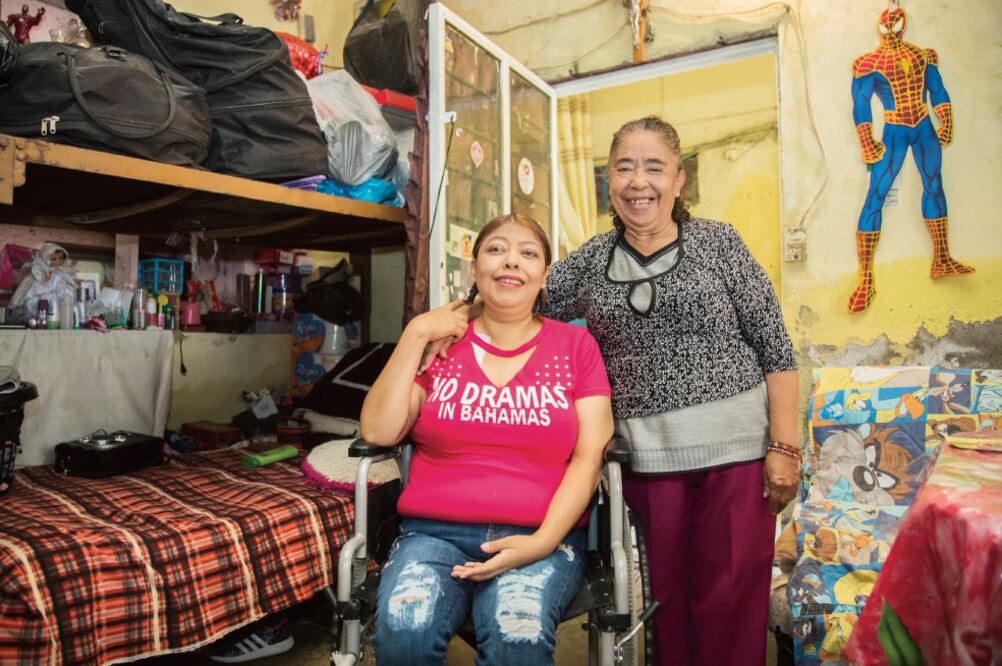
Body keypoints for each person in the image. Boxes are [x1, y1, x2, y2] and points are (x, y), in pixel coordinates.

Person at [542, 116, 801, 666]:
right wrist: (442, 324)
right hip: (645, 463)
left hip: (738, 459)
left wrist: (784, 447)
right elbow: (519, 305)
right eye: (624, 168)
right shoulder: (589, 261)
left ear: (679, 179)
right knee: (665, 611)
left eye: (654, 167)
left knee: (730, 606)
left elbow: (775, 347)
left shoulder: (718, 242)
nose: (639, 182)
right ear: (609, 182)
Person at [360, 213, 614, 665]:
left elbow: (589, 453)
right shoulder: (440, 345)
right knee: (403, 632)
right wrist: (417, 332)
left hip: (543, 535)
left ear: (544, 276)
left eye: (528, 253)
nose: (510, 262)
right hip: (432, 534)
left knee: (518, 637)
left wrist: (541, 542)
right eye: (496, 249)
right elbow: (378, 431)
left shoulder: (575, 348)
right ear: (475, 268)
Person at [847, 6, 973, 313]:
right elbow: (860, 103)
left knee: (934, 185)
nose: (891, 31)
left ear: (902, 26)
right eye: (886, 27)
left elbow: (937, 91)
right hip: (895, 130)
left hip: (922, 125)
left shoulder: (923, 55)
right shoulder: (868, 64)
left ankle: (941, 258)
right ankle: (865, 279)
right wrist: (866, 140)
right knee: (876, 195)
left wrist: (947, 122)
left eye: (895, 25)